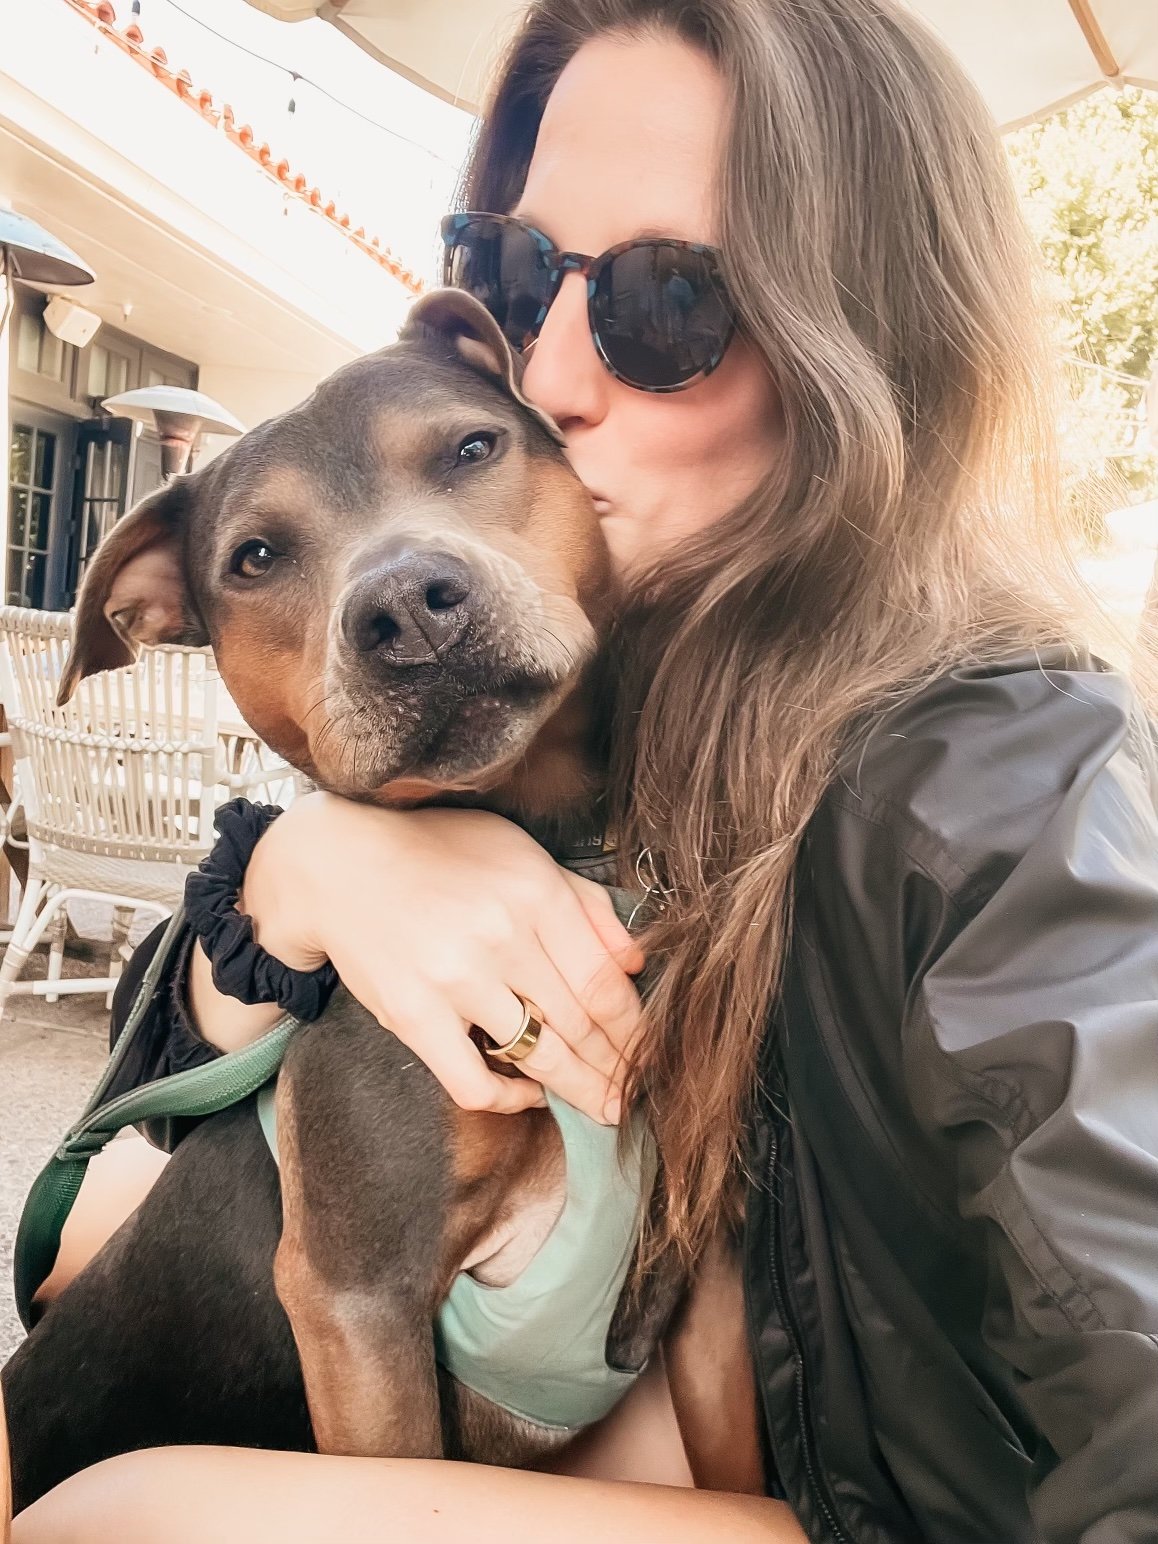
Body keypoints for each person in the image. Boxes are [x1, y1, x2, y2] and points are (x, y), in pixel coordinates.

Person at [13, 0, 1158, 1539]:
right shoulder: (616, 720)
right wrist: (292, 883)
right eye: (512, 272)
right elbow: (99, 1223)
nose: (541, 371)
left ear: (861, 343)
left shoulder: (996, 776)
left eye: (668, 302)